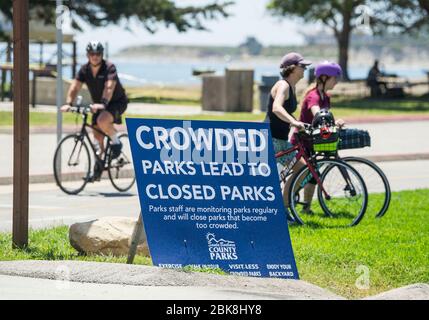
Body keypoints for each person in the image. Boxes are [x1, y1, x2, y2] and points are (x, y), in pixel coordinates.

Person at [61, 41, 128, 181]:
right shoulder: (84, 70)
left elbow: (109, 88)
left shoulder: (109, 67)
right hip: (98, 104)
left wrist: (103, 103)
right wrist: (69, 103)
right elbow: (75, 86)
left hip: (116, 102)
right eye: (92, 54)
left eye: (98, 54)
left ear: (101, 55)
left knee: (102, 120)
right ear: (88, 55)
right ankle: (98, 168)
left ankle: (116, 142)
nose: (95, 57)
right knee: (97, 138)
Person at [290, 61, 345, 214]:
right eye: (335, 78)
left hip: (315, 141)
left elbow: (325, 118)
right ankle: (287, 200)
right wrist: (331, 122)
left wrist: (333, 123)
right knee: (306, 173)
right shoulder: (312, 96)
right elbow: (318, 114)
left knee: (314, 175)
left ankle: (305, 208)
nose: (336, 82)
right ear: (324, 78)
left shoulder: (326, 97)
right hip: (303, 141)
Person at [265, 52, 311, 209]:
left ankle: (284, 205)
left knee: (303, 169)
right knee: (302, 168)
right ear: (292, 68)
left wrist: (298, 122)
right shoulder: (283, 85)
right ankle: (283, 207)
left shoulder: (292, 86)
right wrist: (293, 122)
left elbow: (286, 111)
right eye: (302, 66)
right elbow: (276, 107)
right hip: (272, 139)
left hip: (280, 139)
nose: (305, 68)